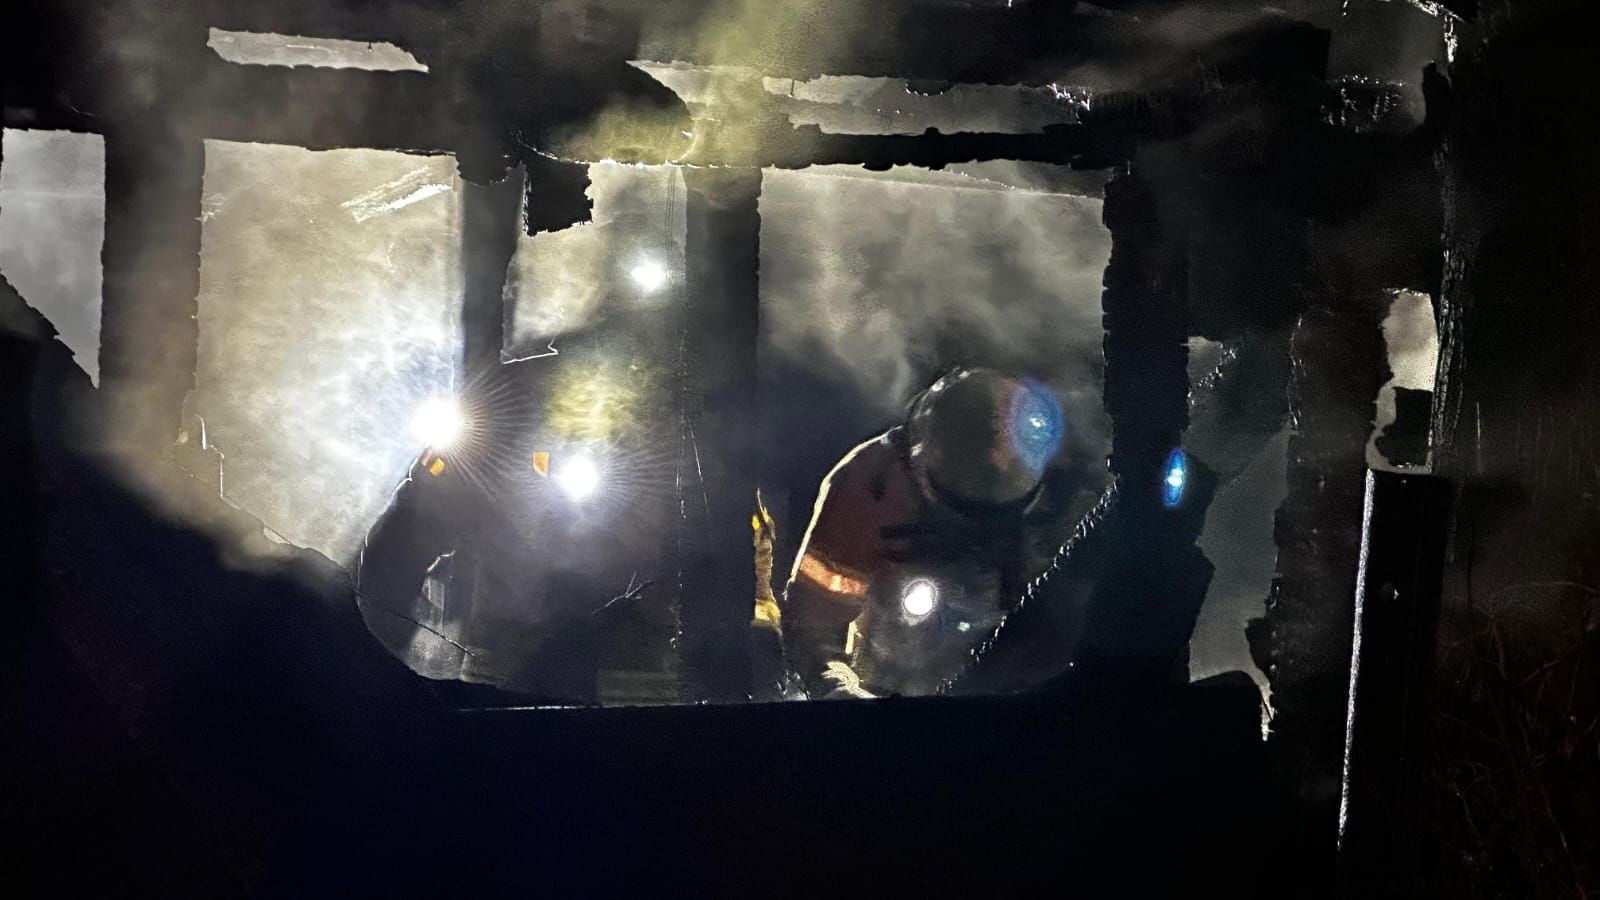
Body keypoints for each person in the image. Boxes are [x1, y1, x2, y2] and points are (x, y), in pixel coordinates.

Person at [781, 367, 1084, 698]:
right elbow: (812, 626)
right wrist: (838, 689)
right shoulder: (870, 489)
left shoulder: (1077, 488)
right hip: (898, 675)